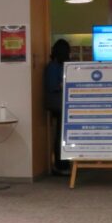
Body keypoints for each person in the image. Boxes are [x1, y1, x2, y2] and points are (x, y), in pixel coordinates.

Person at [44, 38, 71, 176]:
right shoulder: (54, 67)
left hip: (60, 105)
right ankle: (61, 165)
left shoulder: (55, 66)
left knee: (62, 135)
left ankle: (63, 163)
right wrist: (64, 83)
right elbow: (52, 86)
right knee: (61, 136)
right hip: (58, 106)